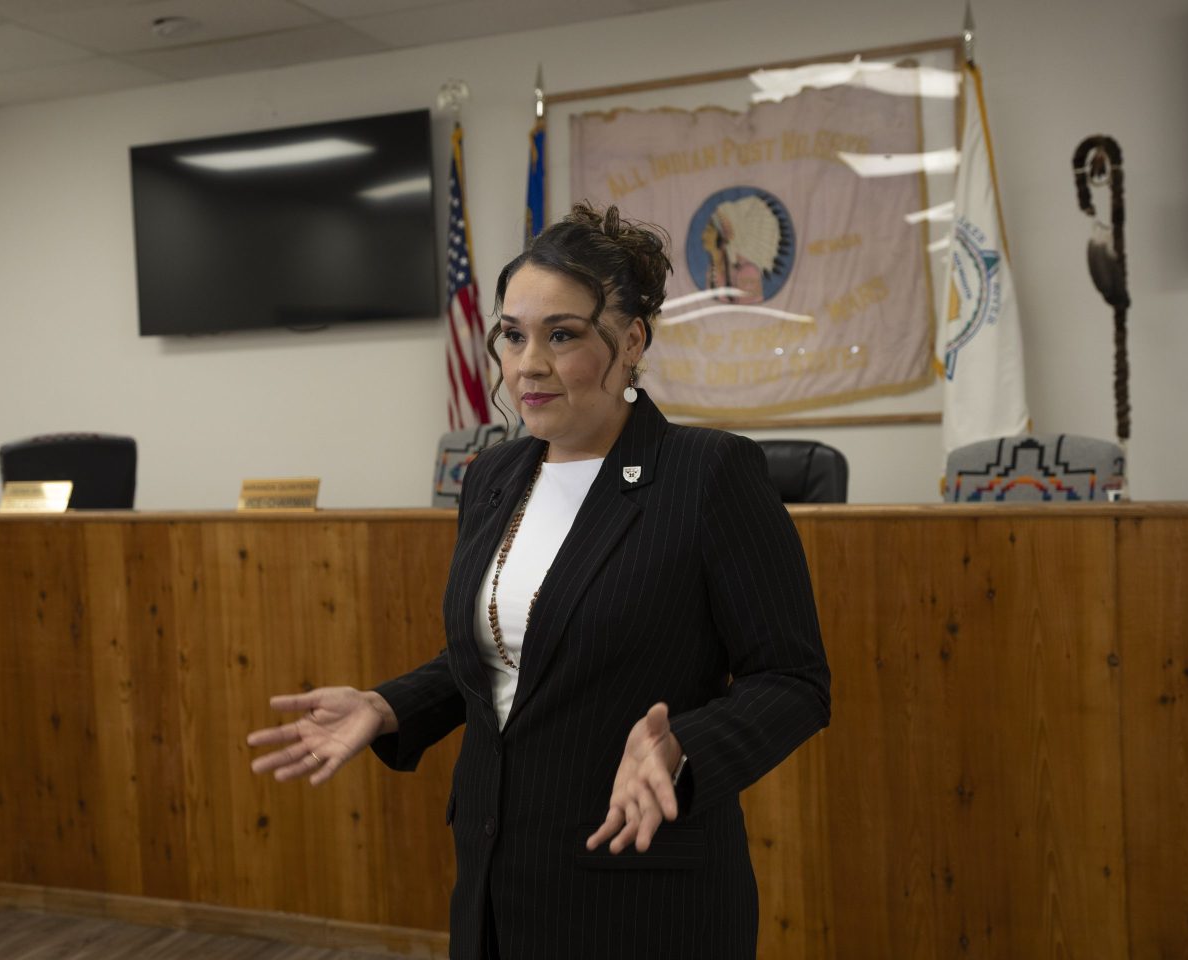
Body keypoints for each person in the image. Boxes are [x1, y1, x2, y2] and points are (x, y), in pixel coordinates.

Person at [247, 203, 830, 959]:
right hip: (497, 880)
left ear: (631, 342)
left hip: (643, 888)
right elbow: (514, 654)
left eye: (562, 334)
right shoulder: (493, 475)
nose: (528, 363)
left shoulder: (709, 474)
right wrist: (388, 706)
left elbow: (793, 679)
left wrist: (685, 744)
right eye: (513, 336)